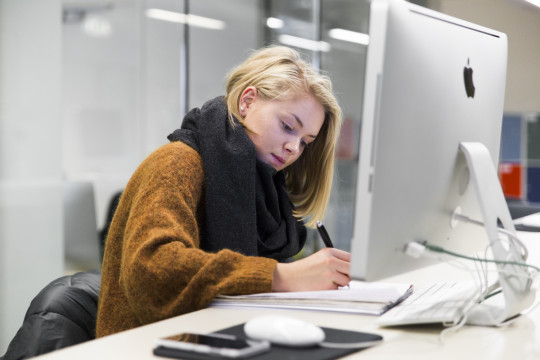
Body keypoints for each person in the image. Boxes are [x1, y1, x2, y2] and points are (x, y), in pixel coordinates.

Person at [95, 45, 350, 337]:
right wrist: (280, 276)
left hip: (224, 339)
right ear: (247, 102)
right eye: (287, 126)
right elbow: (152, 271)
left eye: (305, 141)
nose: (294, 148)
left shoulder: (266, 192)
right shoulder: (176, 163)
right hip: (149, 347)